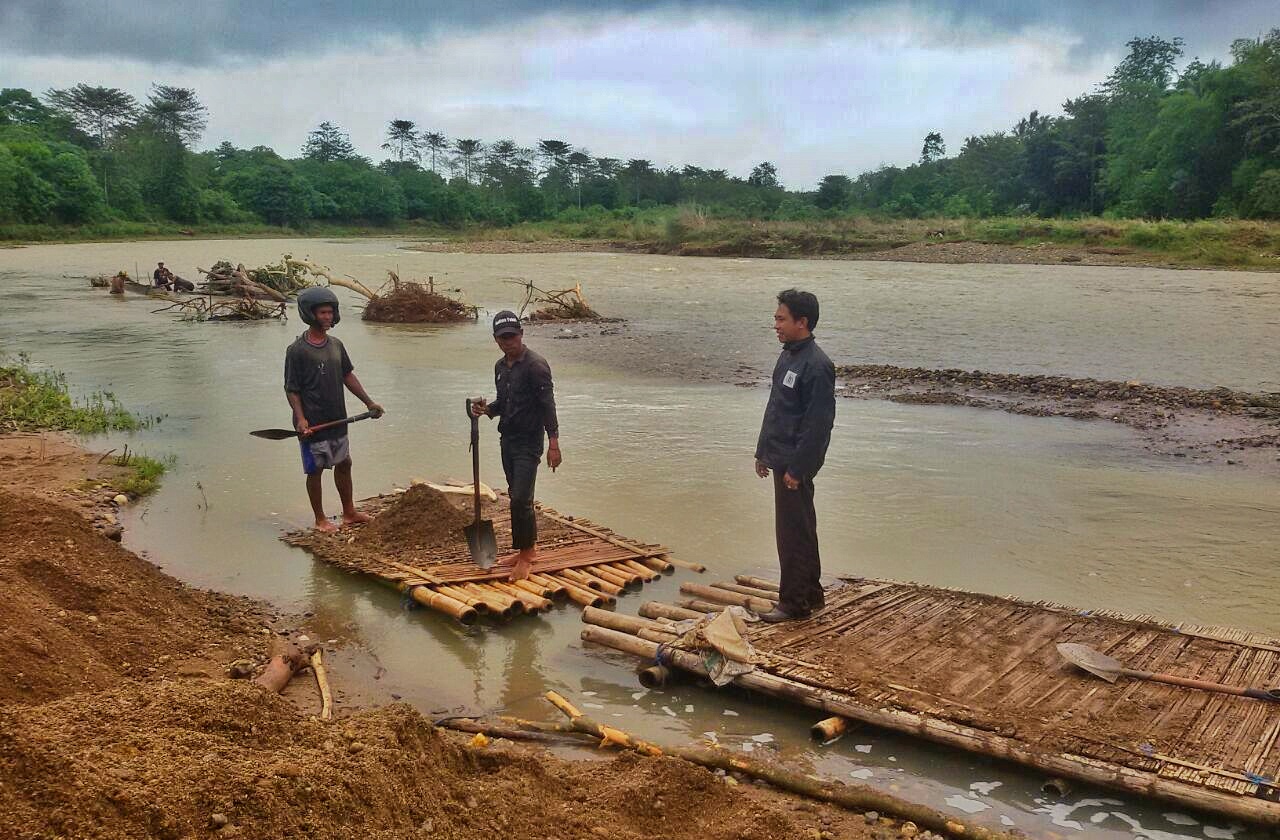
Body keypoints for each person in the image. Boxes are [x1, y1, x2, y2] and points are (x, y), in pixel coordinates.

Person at [754, 289, 836, 622]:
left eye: (781, 318)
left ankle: (794, 603)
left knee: (794, 534)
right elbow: (776, 409)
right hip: (781, 457)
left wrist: (799, 469)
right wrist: (763, 452)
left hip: (794, 466)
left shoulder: (817, 366)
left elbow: (818, 426)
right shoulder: (788, 356)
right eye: (776, 318)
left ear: (802, 322)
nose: (775, 324)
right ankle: (812, 596)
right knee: (796, 528)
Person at [469, 310, 561, 581]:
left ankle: (527, 554)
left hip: (529, 441)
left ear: (521, 334)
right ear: (496, 339)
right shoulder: (500, 367)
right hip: (507, 439)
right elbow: (504, 403)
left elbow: (548, 406)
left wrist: (553, 443)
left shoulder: (536, 366)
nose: (508, 342)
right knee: (516, 495)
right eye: (503, 338)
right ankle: (525, 549)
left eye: (512, 336)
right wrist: (486, 410)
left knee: (521, 497)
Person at [284, 287, 384, 533]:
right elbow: (291, 389)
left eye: (330, 312)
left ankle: (349, 512)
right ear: (310, 314)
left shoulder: (336, 345)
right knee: (315, 469)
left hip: (337, 418)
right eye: (322, 313)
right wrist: (301, 419)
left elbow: (347, 375)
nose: (328, 317)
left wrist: (368, 402)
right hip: (312, 423)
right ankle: (320, 519)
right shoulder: (297, 351)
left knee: (344, 462)